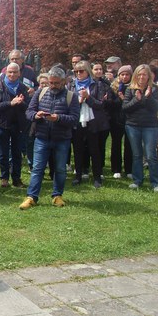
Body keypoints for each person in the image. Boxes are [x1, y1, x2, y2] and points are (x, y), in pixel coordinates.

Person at [20, 66, 80, 209]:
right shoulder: (41, 92)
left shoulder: (71, 96)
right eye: (50, 83)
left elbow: (74, 119)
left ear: (63, 81)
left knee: (60, 169)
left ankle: (57, 195)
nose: (53, 86)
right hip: (41, 137)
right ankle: (31, 197)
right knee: (37, 168)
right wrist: (36, 115)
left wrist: (58, 118)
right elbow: (29, 112)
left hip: (62, 138)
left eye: (56, 83)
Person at [69, 60, 109, 188]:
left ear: (88, 72)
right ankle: (78, 175)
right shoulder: (71, 85)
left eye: (81, 71)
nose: (79, 74)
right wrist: (79, 102)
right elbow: (68, 105)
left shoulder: (97, 85)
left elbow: (100, 104)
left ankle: (97, 177)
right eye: (76, 72)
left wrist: (88, 97)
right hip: (77, 122)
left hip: (93, 122)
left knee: (94, 150)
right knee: (78, 150)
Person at [122, 64, 158, 191]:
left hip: (150, 126)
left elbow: (155, 108)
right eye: (139, 74)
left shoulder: (154, 89)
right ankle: (137, 180)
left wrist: (148, 97)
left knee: (151, 155)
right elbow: (125, 108)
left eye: (144, 74)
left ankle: (155, 182)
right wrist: (136, 100)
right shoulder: (130, 89)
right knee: (137, 154)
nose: (142, 77)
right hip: (133, 126)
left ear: (149, 76)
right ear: (136, 76)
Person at [0, 62, 30, 188]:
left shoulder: (22, 87)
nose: (12, 74)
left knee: (16, 153)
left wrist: (21, 102)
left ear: (19, 73)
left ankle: (16, 178)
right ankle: (4, 178)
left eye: (15, 72)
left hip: (19, 125)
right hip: (3, 124)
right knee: (3, 153)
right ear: (5, 72)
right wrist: (11, 103)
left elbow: (29, 107)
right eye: (10, 72)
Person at [107, 65, 133, 179]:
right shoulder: (113, 87)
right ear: (119, 75)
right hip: (116, 120)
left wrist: (124, 99)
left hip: (130, 120)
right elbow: (111, 104)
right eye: (122, 74)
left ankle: (129, 170)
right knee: (116, 144)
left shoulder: (134, 87)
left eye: (127, 74)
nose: (124, 77)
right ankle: (116, 168)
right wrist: (119, 97)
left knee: (129, 145)